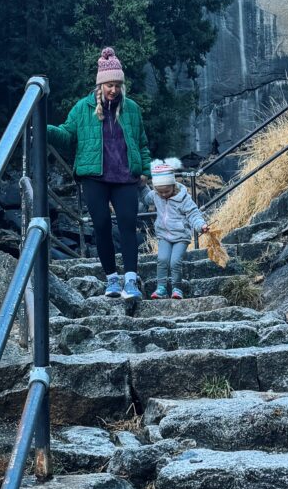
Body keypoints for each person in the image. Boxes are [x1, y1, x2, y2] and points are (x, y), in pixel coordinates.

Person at [47, 46, 152, 300]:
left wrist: (146, 171)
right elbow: (67, 134)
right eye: (109, 85)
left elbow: (142, 142)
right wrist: (44, 127)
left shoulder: (132, 109)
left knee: (128, 224)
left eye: (117, 85)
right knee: (102, 226)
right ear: (100, 85)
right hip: (94, 176)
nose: (113, 90)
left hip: (126, 176)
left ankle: (130, 280)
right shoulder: (83, 108)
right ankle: (111, 280)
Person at [146, 158, 207, 299]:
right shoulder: (156, 194)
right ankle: (161, 288)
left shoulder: (183, 198)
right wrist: (140, 184)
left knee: (174, 261)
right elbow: (146, 198)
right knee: (162, 259)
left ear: (173, 185)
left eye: (166, 191)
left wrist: (200, 225)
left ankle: (176, 288)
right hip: (163, 235)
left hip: (181, 236)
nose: (163, 195)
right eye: (159, 192)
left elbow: (193, 213)